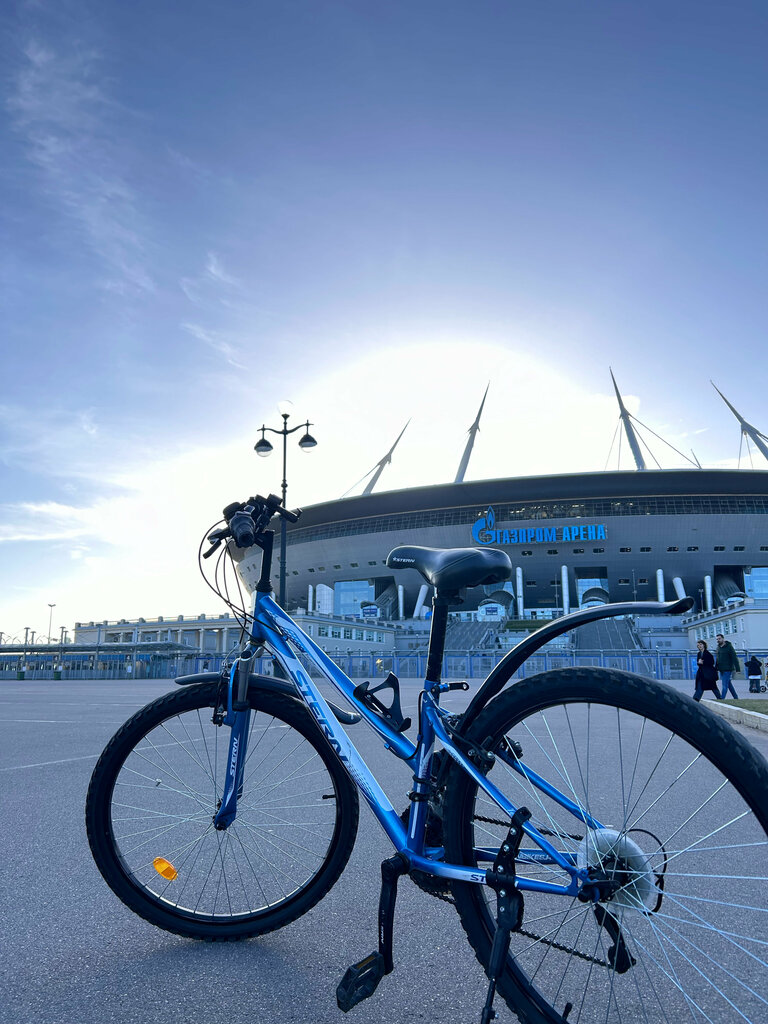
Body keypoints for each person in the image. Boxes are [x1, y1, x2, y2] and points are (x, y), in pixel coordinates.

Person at [715, 633, 741, 699]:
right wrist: (716, 668)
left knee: (724, 685)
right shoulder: (718, 648)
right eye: (717, 639)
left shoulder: (729, 647)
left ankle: (722, 699)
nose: (718, 640)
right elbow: (717, 659)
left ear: (723, 639)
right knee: (729, 684)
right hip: (721, 669)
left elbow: (734, 658)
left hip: (727, 669)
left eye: (719, 639)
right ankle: (736, 697)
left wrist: (738, 669)